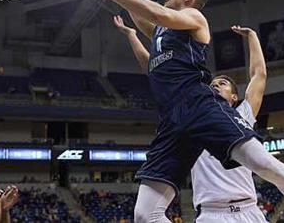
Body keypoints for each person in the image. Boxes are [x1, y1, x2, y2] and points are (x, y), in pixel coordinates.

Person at [82, 0, 284, 223]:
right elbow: (137, 6)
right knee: (144, 214)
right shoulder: (161, 32)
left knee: (263, 164)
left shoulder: (194, 17)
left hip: (199, 104)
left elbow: (155, 11)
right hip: (172, 119)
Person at [114, 16, 268, 222]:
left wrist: (252, 36)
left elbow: (259, 75)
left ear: (234, 97)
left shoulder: (244, 115)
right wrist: (132, 36)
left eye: (222, 83)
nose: (215, 85)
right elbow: (155, 70)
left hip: (249, 210)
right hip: (211, 213)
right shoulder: (195, 117)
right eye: (213, 83)